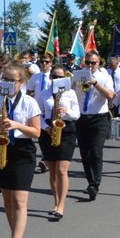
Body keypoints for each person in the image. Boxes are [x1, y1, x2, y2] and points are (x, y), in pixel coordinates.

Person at [0, 64, 41, 238]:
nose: (8, 84)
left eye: (12, 81)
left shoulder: (29, 103)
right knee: (7, 200)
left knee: (19, 201)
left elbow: (36, 132)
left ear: (21, 82)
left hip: (23, 151)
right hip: (3, 150)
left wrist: (17, 124)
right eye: (5, 80)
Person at [37, 65, 79, 219]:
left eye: (61, 77)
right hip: (49, 130)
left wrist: (66, 112)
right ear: (51, 78)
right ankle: (56, 202)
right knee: (53, 170)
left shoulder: (70, 93)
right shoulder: (44, 93)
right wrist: (45, 127)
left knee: (62, 170)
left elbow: (77, 114)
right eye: (55, 76)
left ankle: (61, 205)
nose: (58, 79)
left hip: (66, 130)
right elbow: (38, 114)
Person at [75, 52, 115, 201]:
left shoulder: (105, 77)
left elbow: (110, 96)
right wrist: (74, 81)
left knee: (96, 151)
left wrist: (95, 83)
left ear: (99, 62)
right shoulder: (79, 74)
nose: (90, 66)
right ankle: (90, 182)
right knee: (84, 153)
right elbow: (70, 93)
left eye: (93, 63)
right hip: (82, 117)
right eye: (88, 62)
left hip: (99, 118)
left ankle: (95, 185)